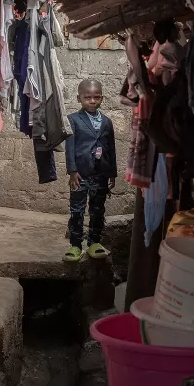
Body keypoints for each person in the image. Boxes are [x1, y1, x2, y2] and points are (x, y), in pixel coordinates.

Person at [63, 79, 117, 262]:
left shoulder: (107, 123)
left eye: (96, 97)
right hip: (80, 174)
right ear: (79, 98)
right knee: (77, 210)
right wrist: (72, 171)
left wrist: (112, 173)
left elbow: (111, 148)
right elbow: (69, 148)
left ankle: (94, 242)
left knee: (97, 209)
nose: (92, 101)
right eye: (87, 97)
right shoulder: (73, 120)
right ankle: (75, 245)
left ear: (102, 98)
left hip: (100, 174)